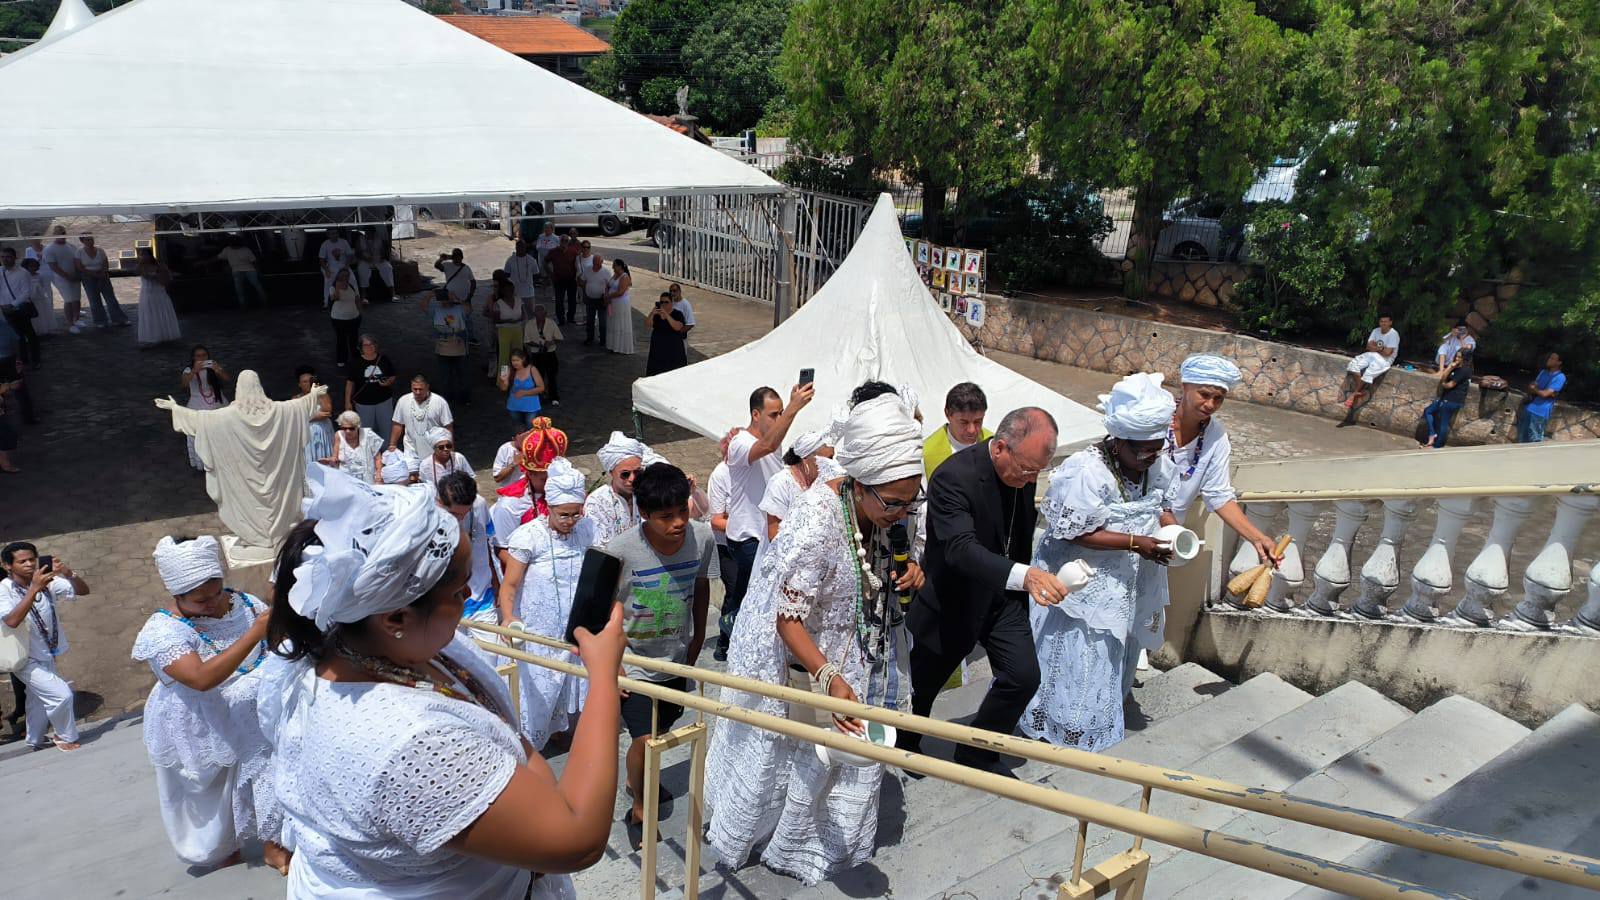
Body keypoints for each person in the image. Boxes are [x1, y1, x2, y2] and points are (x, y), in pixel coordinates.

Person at [263, 465, 625, 898]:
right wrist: (603, 677)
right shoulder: (406, 745)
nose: (470, 597)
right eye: (457, 592)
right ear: (396, 615)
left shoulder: (386, 645)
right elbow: (578, 842)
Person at [705, 392, 926, 885]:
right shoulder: (816, 522)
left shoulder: (888, 510)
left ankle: (827, 836)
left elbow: (887, 564)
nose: (903, 512)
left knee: (845, 756)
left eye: (912, 501)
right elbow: (787, 619)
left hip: (860, 645)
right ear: (859, 482)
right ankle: (786, 837)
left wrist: (915, 573)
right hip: (809, 655)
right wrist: (828, 676)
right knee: (802, 749)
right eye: (894, 503)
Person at [901, 406, 1066, 776]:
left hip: (1003, 599)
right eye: (1024, 469)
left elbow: (1018, 534)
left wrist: (1021, 581)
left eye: (1036, 472)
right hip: (953, 600)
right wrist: (1023, 575)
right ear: (1000, 448)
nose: (1029, 480)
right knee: (922, 687)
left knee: (1023, 675)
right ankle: (906, 747)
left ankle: (978, 747)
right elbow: (959, 548)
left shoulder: (1023, 472)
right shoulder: (952, 477)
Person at [1022, 373, 1179, 751]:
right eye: (1142, 450)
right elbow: (1069, 529)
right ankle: (1068, 725)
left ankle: (1100, 713)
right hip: (1083, 580)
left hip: (1126, 578)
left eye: (1156, 448)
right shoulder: (1086, 471)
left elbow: (1161, 504)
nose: (1150, 456)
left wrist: (1172, 530)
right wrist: (1133, 541)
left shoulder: (1153, 463)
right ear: (1119, 441)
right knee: (1081, 653)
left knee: (1114, 651)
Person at [134, 535, 289, 872]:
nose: (213, 603)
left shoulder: (244, 603)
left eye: (217, 592)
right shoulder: (163, 630)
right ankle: (223, 845)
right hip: (198, 718)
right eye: (200, 600)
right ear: (176, 596)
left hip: (253, 710)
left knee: (268, 770)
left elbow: (274, 643)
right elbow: (201, 679)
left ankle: (275, 844)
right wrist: (254, 635)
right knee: (212, 797)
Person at [606, 462, 717, 849]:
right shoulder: (619, 551)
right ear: (644, 515)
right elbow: (603, 609)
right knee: (644, 739)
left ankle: (639, 780)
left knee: (663, 728)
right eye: (665, 517)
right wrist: (614, 662)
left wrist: (699, 634)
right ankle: (639, 806)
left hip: (677, 657)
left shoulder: (702, 539)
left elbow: (702, 585)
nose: (678, 523)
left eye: (683, 511)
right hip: (636, 664)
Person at [497, 458, 594, 749]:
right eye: (564, 515)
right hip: (539, 634)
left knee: (573, 691)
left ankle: (565, 736)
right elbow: (510, 585)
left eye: (576, 514)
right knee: (535, 697)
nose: (570, 521)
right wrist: (508, 617)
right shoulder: (530, 536)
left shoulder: (586, 529)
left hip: (573, 630)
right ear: (548, 508)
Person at [717, 383, 814, 660]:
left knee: (753, 596)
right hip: (747, 534)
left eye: (780, 413)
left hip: (767, 531)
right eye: (774, 414)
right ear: (756, 415)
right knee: (753, 597)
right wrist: (795, 407)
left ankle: (735, 639)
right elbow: (767, 445)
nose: (779, 418)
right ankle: (735, 640)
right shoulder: (739, 443)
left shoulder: (772, 436)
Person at [1165, 355, 1280, 567]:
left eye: (1219, 398)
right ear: (1185, 386)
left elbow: (1218, 493)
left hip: (1168, 539)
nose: (1211, 404)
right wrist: (1169, 527)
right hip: (1131, 532)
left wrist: (1257, 538)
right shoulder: (1153, 419)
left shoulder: (1216, 436)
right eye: (1204, 394)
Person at [1, 541, 91, 751]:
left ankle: (35, 739)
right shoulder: (4, 590)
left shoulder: (47, 581)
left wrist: (68, 572)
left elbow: (83, 591)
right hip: (24, 657)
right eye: (22, 561)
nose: (29, 564)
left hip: (47, 652)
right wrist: (34, 589)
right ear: (7, 566)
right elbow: (12, 621)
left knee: (38, 701)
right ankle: (65, 735)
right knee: (61, 695)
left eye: (32, 559)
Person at [435, 472, 498, 649]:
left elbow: (486, 542)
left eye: (466, 512)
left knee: (490, 660)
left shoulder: (480, 504)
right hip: (446, 605)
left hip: (482, 598)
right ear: (440, 502)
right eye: (455, 514)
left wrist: (495, 579)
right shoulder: (429, 515)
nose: (461, 518)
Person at [491, 418, 569, 550]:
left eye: (555, 478)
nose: (551, 484)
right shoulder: (509, 506)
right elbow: (502, 549)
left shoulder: (569, 493)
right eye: (545, 480)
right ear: (529, 473)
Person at [759, 430, 841, 540]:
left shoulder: (824, 482)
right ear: (806, 460)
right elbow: (774, 535)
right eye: (827, 459)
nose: (831, 464)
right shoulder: (780, 483)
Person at [585, 431, 652, 546]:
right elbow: (600, 547)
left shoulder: (647, 491)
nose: (632, 479)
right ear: (611, 472)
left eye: (637, 472)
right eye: (625, 474)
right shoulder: (597, 502)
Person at [923, 382, 992, 479]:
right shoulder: (926, 453)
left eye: (978, 422)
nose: (971, 430)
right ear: (948, 414)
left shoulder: (994, 446)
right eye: (964, 422)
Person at [180, 346, 230, 470]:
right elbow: (184, 385)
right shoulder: (188, 370)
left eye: (204, 355)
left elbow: (227, 379)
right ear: (193, 358)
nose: (202, 358)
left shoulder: (212, 366)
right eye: (198, 356)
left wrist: (218, 370)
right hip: (197, 404)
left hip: (216, 401)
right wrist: (194, 371)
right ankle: (205, 460)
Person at [421, 287, 472, 408]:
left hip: (459, 346)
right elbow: (423, 307)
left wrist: (458, 299)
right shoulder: (436, 309)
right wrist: (430, 294)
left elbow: (469, 309)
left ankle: (464, 397)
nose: (444, 300)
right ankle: (447, 398)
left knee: (462, 374)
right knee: (445, 375)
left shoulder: (459, 308)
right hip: (442, 347)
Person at [1341, 314, 1401, 411]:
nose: (1383, 323)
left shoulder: (1394, 334)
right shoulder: (1376, 331)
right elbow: (1368, 346)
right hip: (1371, 354)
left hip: (1385, 360)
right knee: (1353, 365)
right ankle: (1358, 391)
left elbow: (1388, 353)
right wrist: (1381, 348)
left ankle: (1354, 393)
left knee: (1369, 372)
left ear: (1390, 322)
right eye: (1381, 321)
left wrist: (1376, 348)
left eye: (1386, 321)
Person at [390, 374, 454, 460]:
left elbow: (448, 427)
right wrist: (392, 445)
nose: (417, 392)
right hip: (411, 449)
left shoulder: (440, 402)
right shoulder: (403, 401)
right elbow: (397, 424)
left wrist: (451, 450)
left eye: (421, 389)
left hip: (434, 450)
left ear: (427, 387)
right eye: (415, 389)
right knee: (412, 473)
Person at [74, 233, 131, 328]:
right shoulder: (79, 252)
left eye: (91, 239)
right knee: (94, 300)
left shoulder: (100, 250)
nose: (90, 241)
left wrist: (102, 274)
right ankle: (100, 321)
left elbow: (105, 263)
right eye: (87, 240)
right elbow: (79, 267)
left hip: (102, 276)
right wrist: (93, 274)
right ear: (82, 241)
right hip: (88, 278)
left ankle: (119, 319)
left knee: (111, 299)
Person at [344, 334, 397, 434]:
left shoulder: (383, 359)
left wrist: (389, 382)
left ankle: (386, 449)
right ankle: (369, 450)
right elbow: (350, 383)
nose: (369, 347)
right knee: (367, 432)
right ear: (360, 348)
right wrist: (347, 402)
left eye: (372, 344)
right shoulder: (355, 363)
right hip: (364, 403)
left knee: (387, 429)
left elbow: (392, 375)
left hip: (384, 401)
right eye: (366, 345)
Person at [1422, 349, 1474, 449]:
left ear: (1465, 359)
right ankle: (1432, 434)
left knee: (1443, 423)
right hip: (1446, 397)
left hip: (1453, 399)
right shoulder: (1456, 367)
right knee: (1428, 411)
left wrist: (1444, 384)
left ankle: (1437, 446)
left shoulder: (1465, 370)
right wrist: (1450, 367)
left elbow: (1450, 384)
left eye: (1459, 357)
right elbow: (1443, 377)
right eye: (1456, 356)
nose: (1457, 358)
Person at [0, 248, 40, 370]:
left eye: (8, 257)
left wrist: (13, 304)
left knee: (29, 333)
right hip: (5, 309)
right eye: (2, 257)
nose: (5, 259)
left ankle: (35, 359)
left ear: (14, 258)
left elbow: (26, 292)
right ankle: (23, 359)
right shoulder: (0, 272)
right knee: (17, 336)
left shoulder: (23, 273)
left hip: (20, 307)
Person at [134, 247, 182, 346]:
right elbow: (141, 273)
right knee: (150, 315)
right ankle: (152, 337)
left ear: (150, 255)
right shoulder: (140, 266)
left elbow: (166, 279)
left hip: (159, 293)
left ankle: (165, 335)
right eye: (141, 255)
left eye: (144, 254)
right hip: (147, 294)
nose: (142, 257)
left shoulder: (159, 265)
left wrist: (157, 274)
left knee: (161, 313)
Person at [320, 410, 384, 483]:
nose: (347, 431)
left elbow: (378, 458)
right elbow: (335, 458)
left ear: (358, 426)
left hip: (367, 479)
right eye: (344, 428)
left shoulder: (369, 435)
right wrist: (330, 461)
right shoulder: (338, 435)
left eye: (351, 428)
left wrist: (378, 477)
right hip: (346, 479)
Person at [42, 226, 84, 334]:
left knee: (77, 299)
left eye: (63, 233)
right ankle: (71, 324)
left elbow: (77, 261)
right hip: (62, 279)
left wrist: (77, 274)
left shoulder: (71, 246)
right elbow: (53, 266)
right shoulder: (49, 249)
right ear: (54, 235)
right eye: (59, 233)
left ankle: (77, 319)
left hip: (75, 277)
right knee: (69, 301)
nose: (62, 235)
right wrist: (67, 276)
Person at [294, 365, 336, 471]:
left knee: (322, 456)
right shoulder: (295, 398)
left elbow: (327, 411)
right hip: (305, 433)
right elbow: (294, 417)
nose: (308, 383)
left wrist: (317, 392)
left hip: (322, 431)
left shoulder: (322, 394)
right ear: (299, 384)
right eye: (304, 381)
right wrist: (314, 416)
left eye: (310, 381)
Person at [434, 247, 478, 347]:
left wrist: (471, 294)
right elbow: (437, 265)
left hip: (465, 298)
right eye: (455, 257)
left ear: (462, 257)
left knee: (467, 318)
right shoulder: (447, 265)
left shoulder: (466, 268)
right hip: (450, 298)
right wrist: (443, 258)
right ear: (452, 257)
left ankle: (470, 338)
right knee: (450, 317)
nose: (457, 259)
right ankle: (449, 336)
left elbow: (473, 282)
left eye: (459, 257)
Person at [1518, 352, 1565, 443]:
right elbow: (1532, 387)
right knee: (1522, 438)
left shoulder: (1560, 377)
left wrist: (1536, 389)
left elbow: (1545, 394)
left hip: (1540, 412)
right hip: (1529, 408)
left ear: (1559, 363)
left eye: (1552, 358)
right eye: (1550, 357)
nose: (1549, 359)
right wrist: (1537, 390)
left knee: (1535, 439)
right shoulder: (1543, 372)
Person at [523, 303, 562, 407]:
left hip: (550, 354)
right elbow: (527, 341)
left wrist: (551, 342)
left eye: (542, 312)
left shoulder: (551, 323)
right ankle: (539, 396)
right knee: (538, 377)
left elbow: (559, 338)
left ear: (545, 314)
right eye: (537, 312)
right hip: (537, 355)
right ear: (534, 314)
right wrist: (539, 345)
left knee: (552, 377)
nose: (540, 315)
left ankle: (554, 397)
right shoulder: (529, 324)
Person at [328, 268, 366, 370]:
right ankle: (341, 360)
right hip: (339, 319)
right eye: (342, 275)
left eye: (347, 275)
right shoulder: (333, 287)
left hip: (354, 318)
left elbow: (357, 300)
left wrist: (360, 312)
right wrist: (337, 287)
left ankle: (356, 358)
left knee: (354, 340)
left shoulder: (352, 286)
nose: (345, 277)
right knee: (341, 340)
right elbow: (334, 298)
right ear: (338, 276)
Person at [217, 236, 268, 308]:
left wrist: (258, 271)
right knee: (244, 289)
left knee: (252, 287)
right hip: (242, 270)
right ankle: (245, 305)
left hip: (247, 270)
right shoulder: (228, 250)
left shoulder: (244, 250)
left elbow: (254, 261)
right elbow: (254, 261)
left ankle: (260, 303)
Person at [645, 291, 688, 375]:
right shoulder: (656, 315)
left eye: (666, 302)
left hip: (673, 349)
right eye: (661, 302)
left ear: (671, 303)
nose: (664, 304)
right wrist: (652, 314)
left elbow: (678, 327)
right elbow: (647, 324)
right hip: (658, 349)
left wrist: (667, 315)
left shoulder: (677, 314)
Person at [504, 347, 547, 430]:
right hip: (514, 406)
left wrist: (524, 393)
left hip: (531, 407)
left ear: (523, 359)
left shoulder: (532, 369)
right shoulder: (509, 370)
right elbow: (504, 389)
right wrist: (504, 381)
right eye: (513, 360)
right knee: (519, 428)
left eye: (517, 360)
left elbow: (541, 388)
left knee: (531, 429)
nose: (515, 363)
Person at [489, 278, 524, 379]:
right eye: (508, 290)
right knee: (504, 357)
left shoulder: (518, 300)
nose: (510, 292)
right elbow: (495, 320)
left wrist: (521, 319)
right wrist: (508, 321)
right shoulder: (498, 303)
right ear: (503, 292)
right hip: (504, 331)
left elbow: (524, 314)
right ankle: (503, 379)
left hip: (517, 329)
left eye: (511, 290)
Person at [547, 233, 580, 326]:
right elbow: (545, 262)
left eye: (566, 241)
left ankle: (570, 318)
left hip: (571, 279)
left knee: (572, 301)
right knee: (559, 301)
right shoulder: (553, 251)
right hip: (559, 279)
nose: (564, 242)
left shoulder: (573, 251)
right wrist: (550, 274)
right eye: (562, 240)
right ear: (559, 241)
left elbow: (579, 262)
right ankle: (561, 319)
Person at [603, 259, 635, 355]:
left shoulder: (624, 277)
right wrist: (606, 292)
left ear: (620, 266)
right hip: (612, 303)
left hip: (621, 303)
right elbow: (608, 284)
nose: (613, 267)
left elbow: (621, 292)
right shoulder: (615, 275)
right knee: (613, 322)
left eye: (614, 265)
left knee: (619, 323)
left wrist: (608, 296)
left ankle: (619, 347)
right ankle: (612, 345)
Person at [21, 256, 58, 337]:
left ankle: (44, 329)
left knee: (42, 314)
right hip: (30, 299)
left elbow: (44, 287)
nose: (33, 268)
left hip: (40, 298)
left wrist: (39, 290)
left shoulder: (40, 276)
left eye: (35, 266)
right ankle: (34, 330)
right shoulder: (24, 277)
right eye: (30, 266)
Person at [504, 240, 539, 319]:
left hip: (529, 293)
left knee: (531, 315)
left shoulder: (531, 260)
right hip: (515, 293)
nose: (520, 249)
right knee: (517, 316)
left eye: (522, 247)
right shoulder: (510, 260)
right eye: (518, 247)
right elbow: (506, 275)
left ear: (525, 248)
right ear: (516, 248)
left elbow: (536, 274)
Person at [317, 231, 353, 309]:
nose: (335, 235)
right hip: (330, 265)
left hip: (343, 264)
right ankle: (326, 302)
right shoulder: (325, 244)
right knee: (328, 279)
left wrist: (347, 266)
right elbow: (321, 259)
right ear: (328, 235)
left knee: (352, 278)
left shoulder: (344, 242)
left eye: (336, 233)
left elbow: (350, 255)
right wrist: (326, 270)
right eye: (332, 233)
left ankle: (355, 298)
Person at [579, 251, 608, 346]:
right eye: (594, 262)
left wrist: (606, 298)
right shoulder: (587, 269)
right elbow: (582, 281)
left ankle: (603, 340)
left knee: (603, 322)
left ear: (601, 262)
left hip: (601, 300)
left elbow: (609, 286)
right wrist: (584, 292)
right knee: (590, 320)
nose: (595, 264)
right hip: (590, 299)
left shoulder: (606, 272)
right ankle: (590, 338)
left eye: (598, 263)